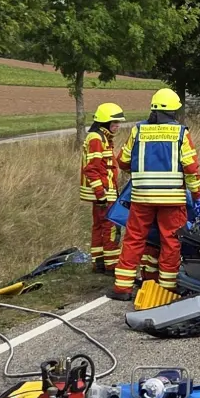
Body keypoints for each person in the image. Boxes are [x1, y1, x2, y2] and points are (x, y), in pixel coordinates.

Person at [112, 88, 200, 301]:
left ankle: (122, 288)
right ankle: (168, 287)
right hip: (172, 200)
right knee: (171, 240)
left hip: (142, 198)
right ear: (173, 111)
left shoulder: (138, 130)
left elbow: (123, 160)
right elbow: (190, 166)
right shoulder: (181, 133)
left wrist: (139, 171)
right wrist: (197, 193)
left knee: (134, 239)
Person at [79, 103, 125, 273]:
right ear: (105, 123)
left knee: (99, 226)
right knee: (111, 227)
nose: (118, 126)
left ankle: (98, 262)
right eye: (115, 123)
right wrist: (101, 193)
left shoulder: (100, 137)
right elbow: (92, 168)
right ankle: (111, 265)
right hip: (104, 193)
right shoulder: (97, 139)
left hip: (102, 192)